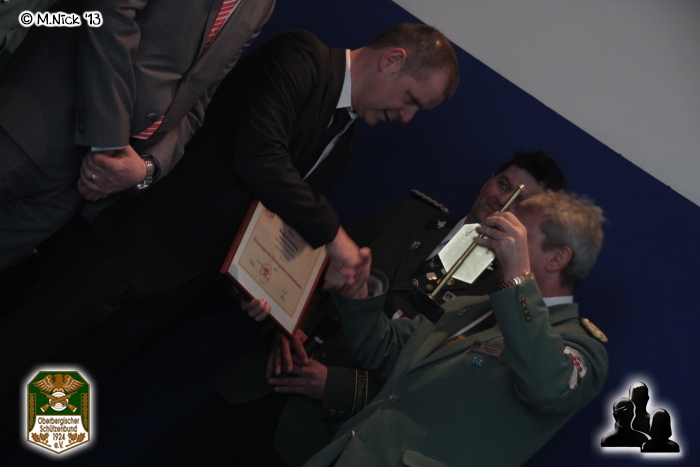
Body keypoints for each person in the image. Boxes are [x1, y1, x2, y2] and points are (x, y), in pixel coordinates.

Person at [0, 24, 459, 398]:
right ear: (392, 60)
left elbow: (270, 223)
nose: (406, 118)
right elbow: (260, 157)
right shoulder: (301, 56)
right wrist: (335, 237)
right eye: (411, 100)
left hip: (176, 292)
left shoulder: (346, 145)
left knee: (57, 392)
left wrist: (260, 291)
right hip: (125, 248)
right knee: (19, 350)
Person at [159, 150, 567, 466]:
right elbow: (316, 272)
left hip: (320, 431)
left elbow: (437, 384)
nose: (501, 200)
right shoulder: (412, 215)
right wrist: (283, 326)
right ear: (487, 180)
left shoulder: (496, 299)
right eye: (502, 183)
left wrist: (337, 387)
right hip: (259, 380)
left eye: (520, 201)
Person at [303, 190, 609, 467]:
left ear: (557, 258)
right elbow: (385, 348)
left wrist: (518, 275)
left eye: (516, 237)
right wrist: (358, 291)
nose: (499, 242)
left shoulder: (581, 347)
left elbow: (548, 387)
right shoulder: (473, 307)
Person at [0, 0, 276, 270]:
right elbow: (108, 13)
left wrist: (147, 167)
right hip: (36, 125)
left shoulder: (263, 6)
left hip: (87, 185)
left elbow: (197, 100)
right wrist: (111, 139)